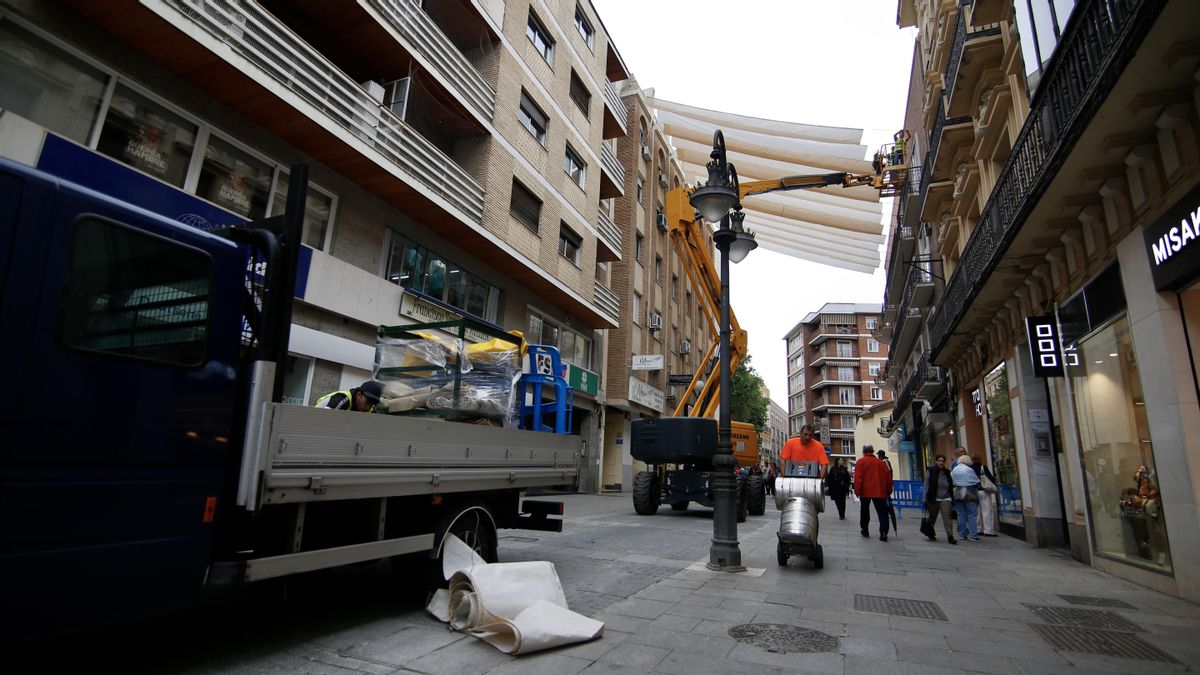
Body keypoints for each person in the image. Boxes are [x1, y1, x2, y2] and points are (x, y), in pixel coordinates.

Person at [853, 445, 893, 541]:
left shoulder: (860, 462)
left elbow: (858, 478)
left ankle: (865, 529)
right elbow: (888, 477)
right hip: (879, 490)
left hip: (865, 491)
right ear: (873, 451)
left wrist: (857, 491)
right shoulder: (881, 463)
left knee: (864, 511)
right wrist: (888, 490)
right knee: (882, 512)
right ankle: (883, 532)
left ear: (863, 451)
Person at [922, 454, 956, 544]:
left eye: (943, 461)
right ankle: (930, 532)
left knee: (947, 517)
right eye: (939, 461)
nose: (941, 463)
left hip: (946, 497)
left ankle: (950, 535)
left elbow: (951, 484)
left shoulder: (947, 472)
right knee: (932, 517)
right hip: (933, 498)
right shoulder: (931, 471)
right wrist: (924, 497)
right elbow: (926, 485)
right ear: (936, 461)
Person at [951, 450, 982, 542]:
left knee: (961, 514)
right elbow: (977, 482)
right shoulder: (969, 470)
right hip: (970, 494)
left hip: (957, 493)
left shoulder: (955, 469)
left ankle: (962, 534)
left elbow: (952, 481)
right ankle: (973, 535)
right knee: (972, 514)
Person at [973, 452, 999, 536]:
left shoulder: (970, 468)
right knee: (987, 510)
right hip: (984, 491)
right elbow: (991, 478)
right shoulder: (983, 467)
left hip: (974, 491)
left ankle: (978, 529)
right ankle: (988, 530)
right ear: (980, 459)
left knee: (976, 511)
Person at [315, 380, 384, 412]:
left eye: (373, 404)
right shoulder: (341, 400)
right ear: (359, 394)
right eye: (368, 402)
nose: (368, 407)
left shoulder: (369, 408)